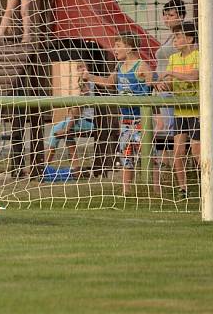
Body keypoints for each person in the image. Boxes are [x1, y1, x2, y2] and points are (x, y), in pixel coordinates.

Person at [83, 35, 152, 196]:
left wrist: (153, 82)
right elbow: (109, 82)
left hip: (142, 120)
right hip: (126, 121)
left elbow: (151, 83)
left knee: (149, 156)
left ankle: (155, 190)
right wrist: (90, 77)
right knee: (126, 157)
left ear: (128, 48)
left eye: (118, 45)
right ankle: (126, 192)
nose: (114, 49)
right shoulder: (119, 67)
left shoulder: (141, 66)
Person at [157, 21, 200, 200]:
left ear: (189, 39)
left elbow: (193, 77)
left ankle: (211, 186)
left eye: (179, 36)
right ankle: (183, 189)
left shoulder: (199, 55)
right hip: (180, 112)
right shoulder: (173, 59)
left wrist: (171, 74)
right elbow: (170, 84)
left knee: (198, 154)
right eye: (174, 37)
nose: (175, 40)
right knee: (177, 154)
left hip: (197, 112)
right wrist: (161, 84)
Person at [45, 64, 95, 174]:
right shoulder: (79, 83)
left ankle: (44, 166)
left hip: (89, 122)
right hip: (79, 120)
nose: (81, 70)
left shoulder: (88, 84)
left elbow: (79, 109)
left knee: (55, 130)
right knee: (67, 134)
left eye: (84, 67)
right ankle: (76, 166)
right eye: (79, 68)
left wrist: (68, 127)